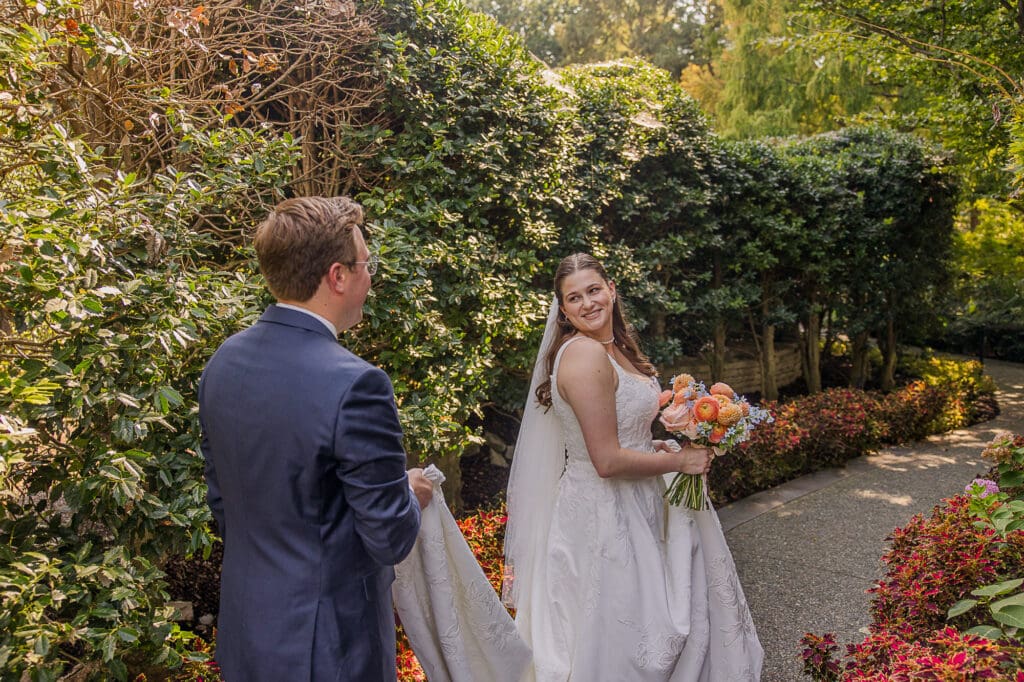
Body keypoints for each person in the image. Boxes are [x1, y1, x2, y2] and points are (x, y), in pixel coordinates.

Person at [198, 196, 433, 682]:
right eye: (366, 264)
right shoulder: (358, 385)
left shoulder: (223, 362)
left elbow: (224, 504)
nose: (370, 278)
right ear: (338, 276)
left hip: (246, 629)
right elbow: (389, 535)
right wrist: (410, 492)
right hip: (329, 645)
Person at [503, 253, 763, 681]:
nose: (588, 303)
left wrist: (657, 442)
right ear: (563, 310)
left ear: (612, 289)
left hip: (640, 495)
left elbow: (623, 431)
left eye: (593, 290)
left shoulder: (616, 348)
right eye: (574, 298)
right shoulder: (584, 355)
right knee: (624, 629)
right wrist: (681, 459)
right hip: (605, 512)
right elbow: (604, 461)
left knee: (654, 615)